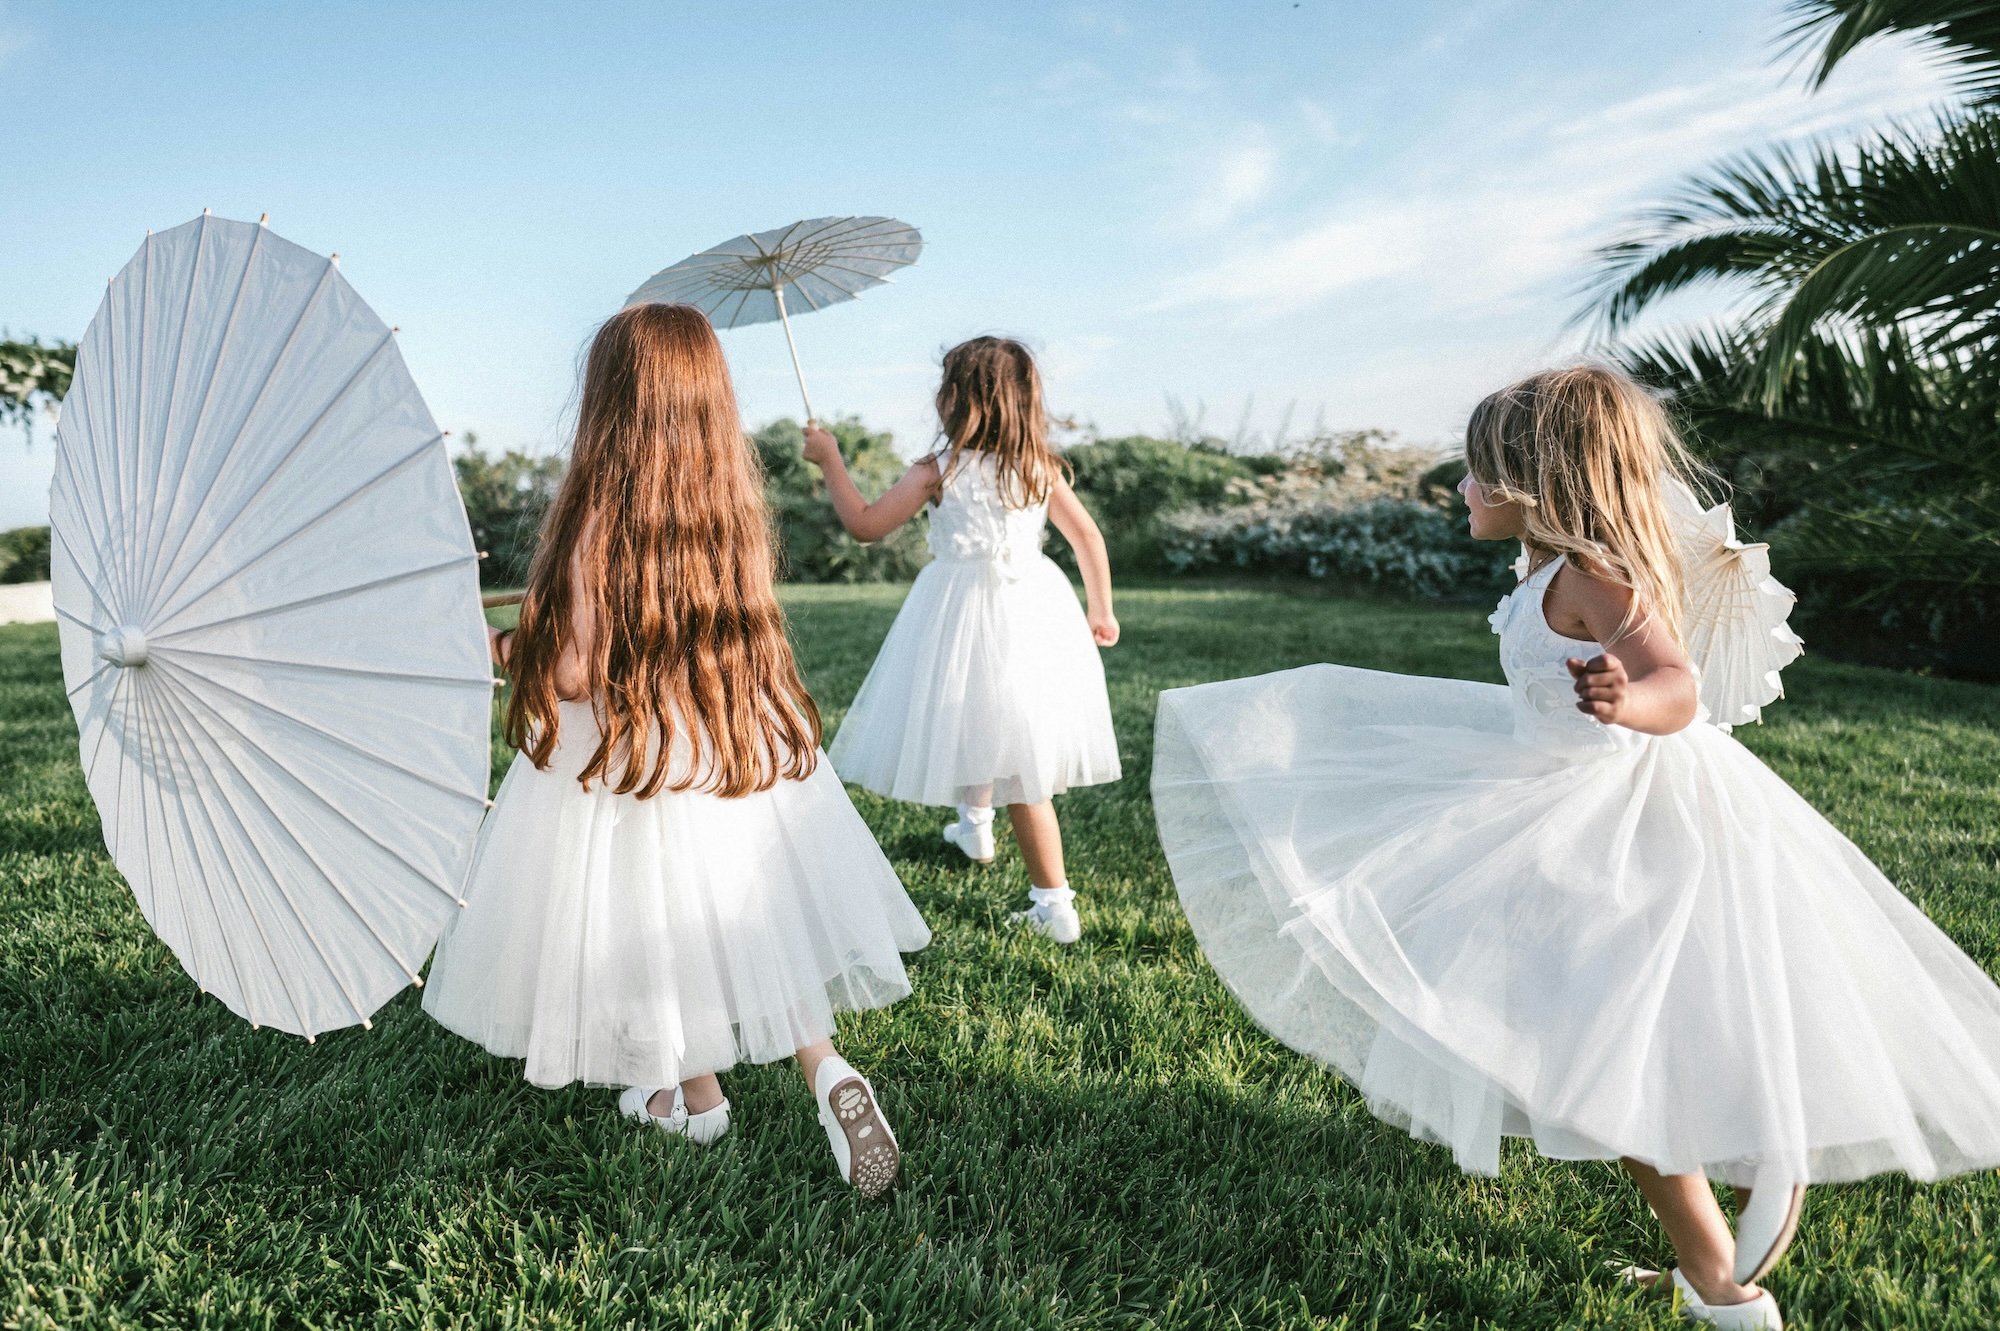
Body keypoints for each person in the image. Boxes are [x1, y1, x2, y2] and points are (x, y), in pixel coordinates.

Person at [1150, 366, 2000, 1328]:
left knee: (1606, 1058)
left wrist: (1627, 700)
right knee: (1596, 1046)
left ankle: (1731, 1269)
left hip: (1615, 823)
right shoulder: (1549, 571)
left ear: (1537, 484)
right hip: (1548, 803)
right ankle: (1719, 1241)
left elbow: (1676, 686)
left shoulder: (1600, 577)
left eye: (1478, 476)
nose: (1462, 491)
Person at [424, 304, 930, 1199]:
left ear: (607, 401)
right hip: (721, 746)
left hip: (628, 762)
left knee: (649, 922)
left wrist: (503, 648)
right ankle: (810, 1073)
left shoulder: (596, 519)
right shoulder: (729, 511)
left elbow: (576, 674)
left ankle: (686, 1088)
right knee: (746, 916)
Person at [802, 336, 1120, 945]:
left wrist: (830, 461)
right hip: (1031, 610)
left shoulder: (937, 471)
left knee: (988, 731)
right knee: (996, 718)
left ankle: (1054, 904)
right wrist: (1100, 609)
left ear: (959, 400)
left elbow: (865, 525)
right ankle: (977, 826)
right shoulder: (1038, 469)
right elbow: (1088, 538)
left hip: (959, 611)